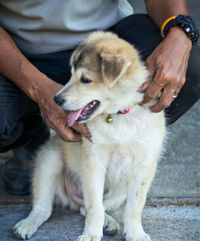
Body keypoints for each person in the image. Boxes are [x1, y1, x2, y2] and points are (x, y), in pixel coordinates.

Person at [0, 0, 199, 195]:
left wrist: (180, 32)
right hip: (20, 51)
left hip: (107, 42)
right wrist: (37, 89)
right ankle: (27, 137)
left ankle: (118, 146)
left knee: (189, 68)